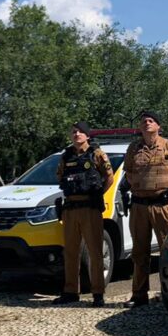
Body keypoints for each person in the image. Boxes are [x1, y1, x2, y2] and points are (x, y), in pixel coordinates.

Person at [122, 110, 168, 308]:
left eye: (151, 121)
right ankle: (139, 295)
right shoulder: (134, 148)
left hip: (162, 206)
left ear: (159, 126)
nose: (147, 123)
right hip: (139, 206)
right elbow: (128, 173)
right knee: (139, 253)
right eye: (143, 121)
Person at [53, 122, 114, 307]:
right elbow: (59, 176)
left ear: (87, 136)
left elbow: (109, 178)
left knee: (95, 252)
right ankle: (71, 291)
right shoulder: (66, 156)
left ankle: (97, 293)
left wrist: (97, 195)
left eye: (80, 132)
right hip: (70, 209)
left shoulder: (97, 154)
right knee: (70, 252)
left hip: (90, 209)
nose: (76, 134)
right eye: (74, 132)